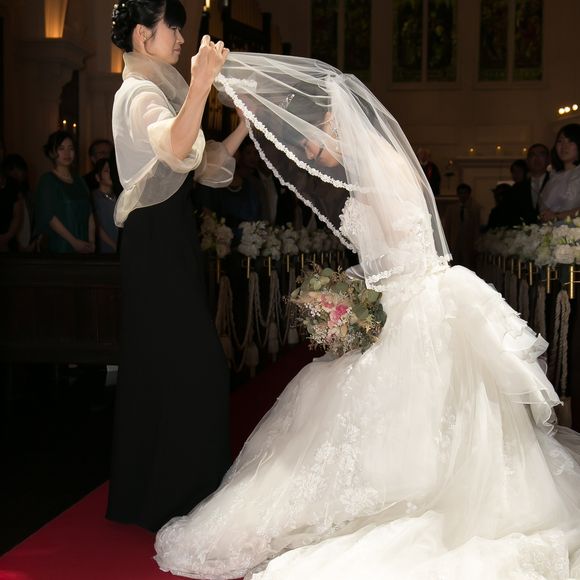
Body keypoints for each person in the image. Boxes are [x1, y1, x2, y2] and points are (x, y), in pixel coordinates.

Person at [154, 53, 580, 579]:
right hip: (403, 293)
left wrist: (354, 294)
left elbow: (405, 252)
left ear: (332, 122)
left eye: (312, 140)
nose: (312, 152)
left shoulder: (381, 170)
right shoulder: (368, 170)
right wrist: (351, 288)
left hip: (415, 301)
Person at [106, 0, 248, 532]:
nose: (182, 38)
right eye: (174, 28)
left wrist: (244, 128)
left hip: (169, 240)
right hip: (153, 244)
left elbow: (203, 165)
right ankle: (178, 499)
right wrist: (202, 84)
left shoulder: (160, 91)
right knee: (198, 368)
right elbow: (175, 145)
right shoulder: (138, 94)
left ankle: (149, 497)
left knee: (164, 368)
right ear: (143, 36)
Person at [35, 130, 95, 254]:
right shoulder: (48, 180)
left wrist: (92, 241)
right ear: (52, 152)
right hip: (60, 247)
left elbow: (90, 213)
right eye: (61, 148)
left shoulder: (80, 181)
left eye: (71, 148)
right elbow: (49, 217)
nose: (67, 153)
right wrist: (74, 242)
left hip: (84, 246)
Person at [539, 123, 580, 222]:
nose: (564, 146)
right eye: (560, 141)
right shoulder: (553, 176)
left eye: (571, 141)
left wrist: (557, 216)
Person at [442, 182, 482, 270]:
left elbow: (476, 227)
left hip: (469, 243)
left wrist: (477, 244)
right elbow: (447, 227)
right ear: (458, 194)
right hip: (454, 242)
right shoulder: (451, 208)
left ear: (469, 194)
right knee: (454, 265)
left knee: (468, 266)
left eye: (465, 193)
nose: (463, 195)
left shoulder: (474, 208)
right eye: (461, 193)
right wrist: (446, 243)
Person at [510, 143, 550, 225]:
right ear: (527, 160)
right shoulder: (518, 187)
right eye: (533, 155)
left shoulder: (555, 182)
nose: (537, 158)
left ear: (548, 160)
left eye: (541, 155)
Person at [91, 157, 118, 253]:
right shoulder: (95, 197)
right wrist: (113, 245)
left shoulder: (118, 196)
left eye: (112, 170)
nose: (111, 174)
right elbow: (97, 226)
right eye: (106, 171)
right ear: (98, 177)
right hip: (103, 249)